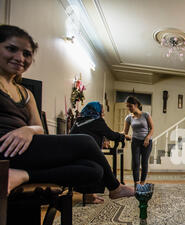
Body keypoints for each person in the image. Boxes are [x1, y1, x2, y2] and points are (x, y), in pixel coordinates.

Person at [0, 24, 134, 200]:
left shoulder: (26, 93)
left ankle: (24, 174)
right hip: (4, 146)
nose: (20, 58)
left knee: (95, 170)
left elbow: (38, 128)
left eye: (26, 54)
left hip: (25, 147)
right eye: (11, 49)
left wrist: (28, 130)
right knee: (86, 142)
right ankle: (115, 187)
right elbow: (108, 134)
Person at [70, 101, 126, 204]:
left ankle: (89, 196)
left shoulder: (78, 121)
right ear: (97, 111)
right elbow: (112, 135)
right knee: (101, 165)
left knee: (96, 162)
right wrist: (123, 136)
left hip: (73, 157)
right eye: (102, 112)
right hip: (88, 156)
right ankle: (114, 189)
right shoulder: (97, 121)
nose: (103, 114)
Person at [123, 96, 154, 189]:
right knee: (135, 163)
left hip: (146, 142)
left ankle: (142, 183)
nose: (129, 108)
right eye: (127, 106)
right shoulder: (128, 118)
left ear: (136, 105)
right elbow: (125, 132)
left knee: (144, 162)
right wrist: (120, 135)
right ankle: (136, 184)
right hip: (135, 141)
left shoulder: (146, 115)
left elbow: (152, 128)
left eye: (130, 106)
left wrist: (147, 138)